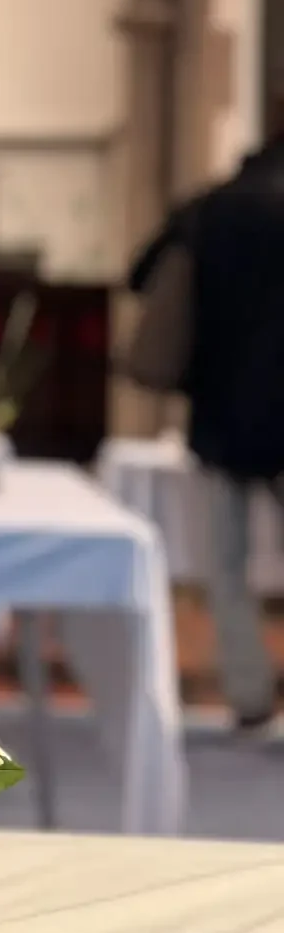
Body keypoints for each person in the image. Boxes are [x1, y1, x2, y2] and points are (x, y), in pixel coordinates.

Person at [131, 101, 284, 728]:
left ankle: (249, 694)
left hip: (223, 415)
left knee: (226, 563)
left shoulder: (213, 206)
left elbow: (140, 273)